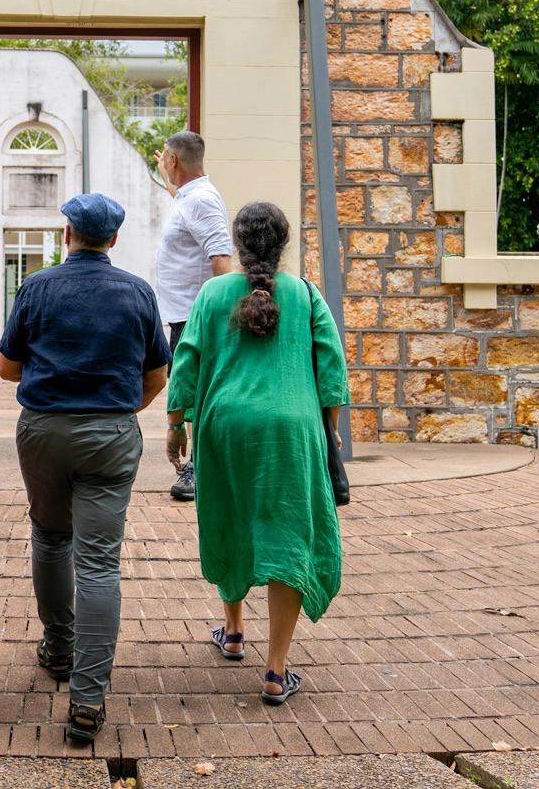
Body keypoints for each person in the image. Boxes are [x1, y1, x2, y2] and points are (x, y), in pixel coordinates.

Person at [0, 192, 170, 745]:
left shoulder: (36, 287)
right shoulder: (138, 293)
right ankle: (89, 698)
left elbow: (6, 368)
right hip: (110, 434)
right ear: (113, 239)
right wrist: (118, 411)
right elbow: (156, 378)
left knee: (51, 537)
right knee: (99, 562)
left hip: (44, 429)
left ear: (66, 234)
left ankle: (58, 648)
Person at [166, 200, 346, 706]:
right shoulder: (305, 294)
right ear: (283, 244)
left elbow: (187, 360)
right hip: (292, 429)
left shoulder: (212, 292)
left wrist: (175, 426)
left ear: (239, 244)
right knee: (289, 532)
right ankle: (276, 670)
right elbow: (331, 367)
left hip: (224, 426)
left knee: (230, 518)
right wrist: (331, 431)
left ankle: (233, 631)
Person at [152, 130, 234, 501]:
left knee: (196, 394)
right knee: (190, 391)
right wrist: (167, 180)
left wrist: (219, 318)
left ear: (174, 160)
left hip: (195, 316)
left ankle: (200, 470)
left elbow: (221, 259)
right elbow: (186, 210)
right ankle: (198, 467)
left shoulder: (201, 200)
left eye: (167, 158)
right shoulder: (189, 197)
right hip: (183, 314)